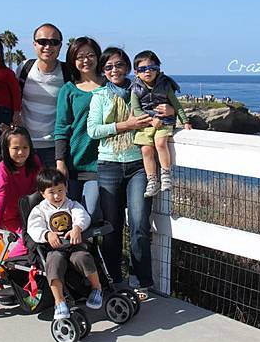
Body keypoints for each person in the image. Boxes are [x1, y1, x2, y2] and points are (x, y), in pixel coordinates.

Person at [86, 47, 176, 301]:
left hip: (138, 165)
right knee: (111, 228)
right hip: (109, 166)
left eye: (119, 65)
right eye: (108, 67)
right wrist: (126, 125)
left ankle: (140, 281)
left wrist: (172, 111)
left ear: (128, 67)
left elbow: (166, 111)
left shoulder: (141, 89)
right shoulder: (100, 96)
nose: (114, 70)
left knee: (139, 224)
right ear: (103, 71)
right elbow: (93, 130)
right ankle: (113, 278)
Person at [27, 168, 103, 319]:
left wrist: (77, 227)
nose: (57, 195)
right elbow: (33, 227)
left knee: (83, 257)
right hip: (55, 248)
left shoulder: (72, 205)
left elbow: (83, 216)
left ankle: (97, 288)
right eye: (51, 192)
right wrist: (47, 234)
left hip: (75, 245)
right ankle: (59, 301)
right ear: (42, 194)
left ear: (66, 188)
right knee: (53, 263)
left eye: (60, 190)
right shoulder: (39, 210)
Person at [0, 125, 42, 289]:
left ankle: (7, 265)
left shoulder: (34, 162)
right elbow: (1, 194)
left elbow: (41, 186)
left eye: (25, 147)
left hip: (20, 213)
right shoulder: (4, 167)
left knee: (27, 240)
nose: (21, 152)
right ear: (7, 149)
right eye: (16, 148)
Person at [54, 37, 103, 221]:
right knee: (70, 216)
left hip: (100, 165)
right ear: (73, 60)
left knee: (91, 213)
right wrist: (60, 162)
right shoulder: (69, 89)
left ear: (98, 57)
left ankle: (92, 250)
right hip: (73, 163)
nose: (85, 60)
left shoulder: (109, 86)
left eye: (90, 55)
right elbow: (61, 127)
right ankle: (79, 251)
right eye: (80, 56)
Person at [131, 50, 192, 198]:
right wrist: (151, 120)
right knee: (146, 150)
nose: (148, 72)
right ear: (136, 72)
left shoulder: (165, 85)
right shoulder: (135, 88)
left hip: (165, 121)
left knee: (160, 143)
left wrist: (185, 121)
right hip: (146, 123)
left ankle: (166, 174)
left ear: (158, 70)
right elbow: (136, 110)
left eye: (152, 68)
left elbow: (176, 105)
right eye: (143, 69)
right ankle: (152, 180)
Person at [16, 23, 71, 168]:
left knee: (54, 191)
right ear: (34, 44)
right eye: (42, 42)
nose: (48, 46)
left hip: (56, 149)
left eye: (53, 42)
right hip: (25, 146)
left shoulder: (68, 73)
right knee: (28, 191)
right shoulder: (24, 68)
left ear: (60, 46)